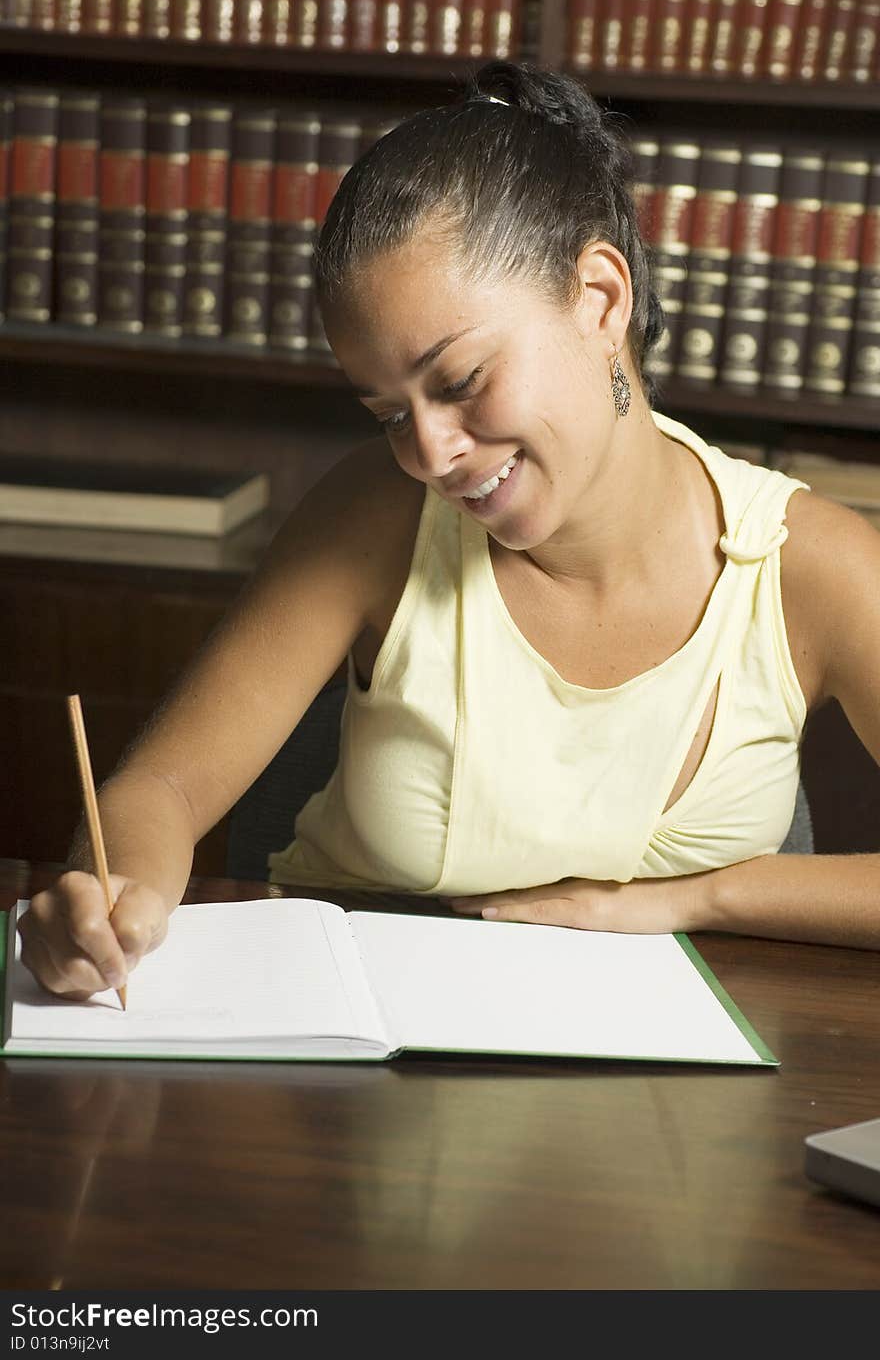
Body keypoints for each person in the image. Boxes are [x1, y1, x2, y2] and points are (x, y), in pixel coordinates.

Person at [20, 60, 880, 1000]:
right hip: (347, 1071)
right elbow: (166, 793)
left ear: (600, 298)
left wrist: (706, 896)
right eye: (390, 414)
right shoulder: (375, 519)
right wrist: (109, 894)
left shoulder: (813, 567)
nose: (429, 453)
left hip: (673, 1100)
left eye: (462, 382)